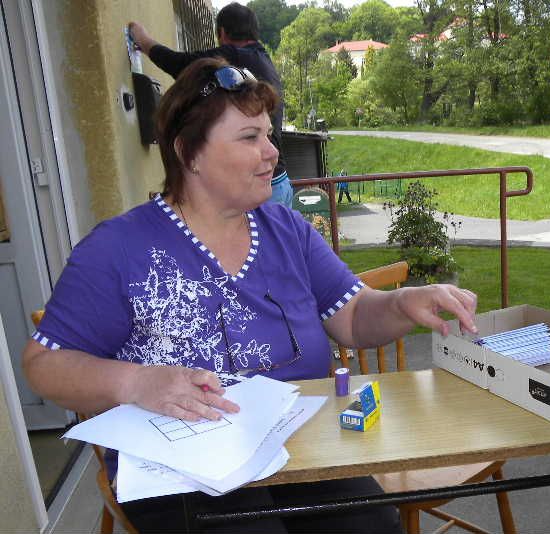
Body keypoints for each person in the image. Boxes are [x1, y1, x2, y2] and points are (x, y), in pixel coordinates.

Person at [21, 57, 479, 533]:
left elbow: (354, 316)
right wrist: (136, 383)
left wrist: (403, 303)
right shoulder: (118, 249)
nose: (272, 152)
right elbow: (44, 364)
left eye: (268, 135)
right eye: (249, 137)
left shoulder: (286, 230)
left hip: (300, 449)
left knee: (373, 527)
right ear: (188, 152)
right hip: (183, 468)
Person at [129, 2, 294, 208]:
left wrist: (143, 40)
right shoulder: (261, 58)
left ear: (222, 33)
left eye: (255, 135)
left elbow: (177, 63)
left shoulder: (234, 56)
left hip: (264, 185)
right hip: (279, 182)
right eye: (250, 137)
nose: (272, 152)